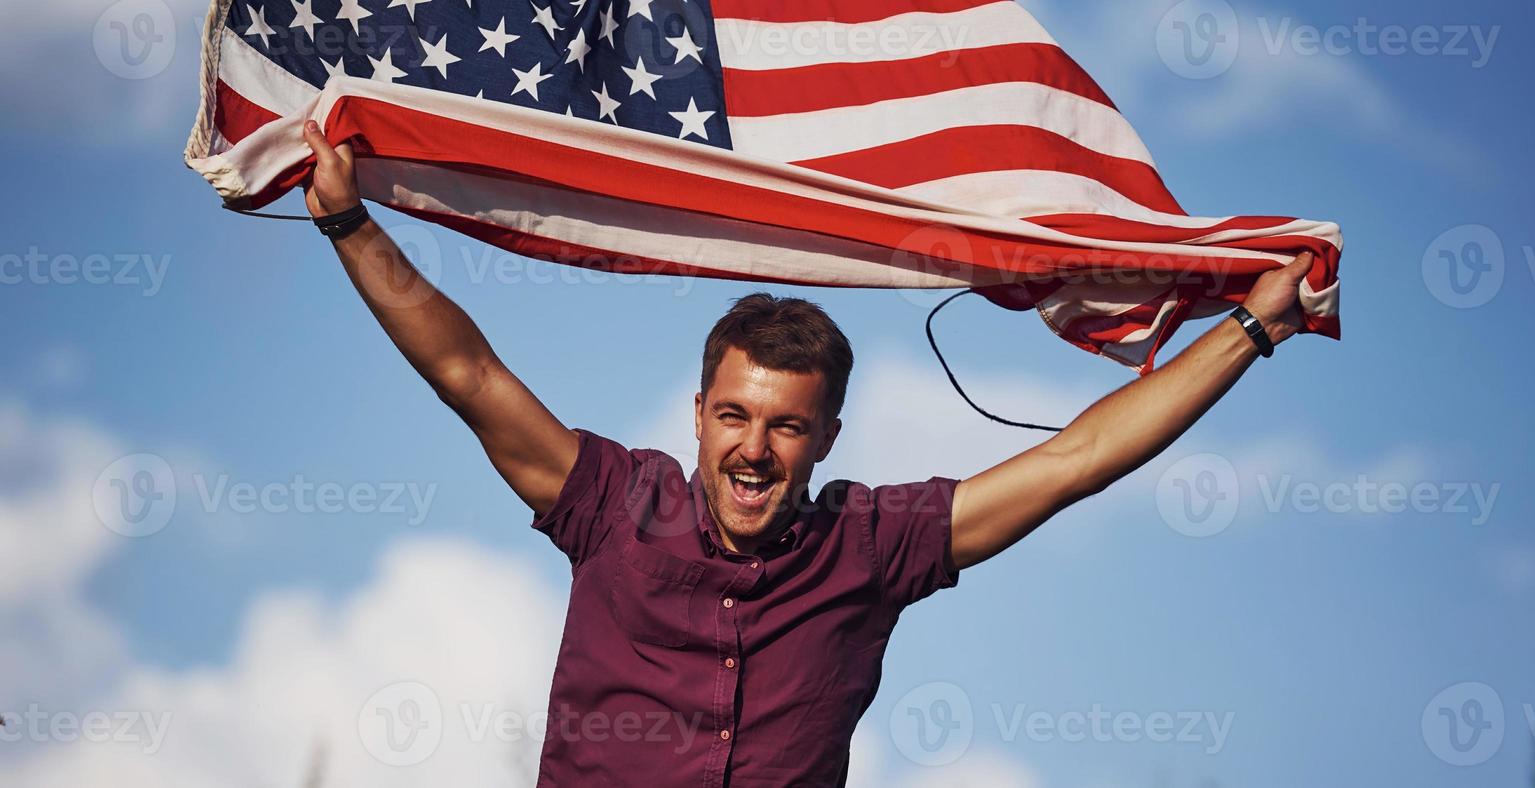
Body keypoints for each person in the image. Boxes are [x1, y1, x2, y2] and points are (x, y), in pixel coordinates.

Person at [300, 121, 1315, 786]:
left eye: (787, 425)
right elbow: (470, 375)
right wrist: (348, 222)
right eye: (736, 415)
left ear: (827, 434)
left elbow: (1074, 459)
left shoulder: (874, 544)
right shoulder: (612, 503)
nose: (754, 448)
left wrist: (1253, 331)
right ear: (698, 413)